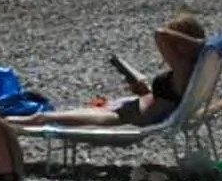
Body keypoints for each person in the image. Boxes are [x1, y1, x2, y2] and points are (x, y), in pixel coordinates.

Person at [29, 15, 208, 129]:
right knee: (49, 117)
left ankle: (12, 125)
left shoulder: (183, 66)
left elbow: (159, 33)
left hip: (126, 116)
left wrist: (199, 44)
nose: (170, 48)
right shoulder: (194, 68)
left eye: (175, 42)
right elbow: (167, 99)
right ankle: (14, 122)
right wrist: (144, 91)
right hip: (130, 109)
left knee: (44, 117)